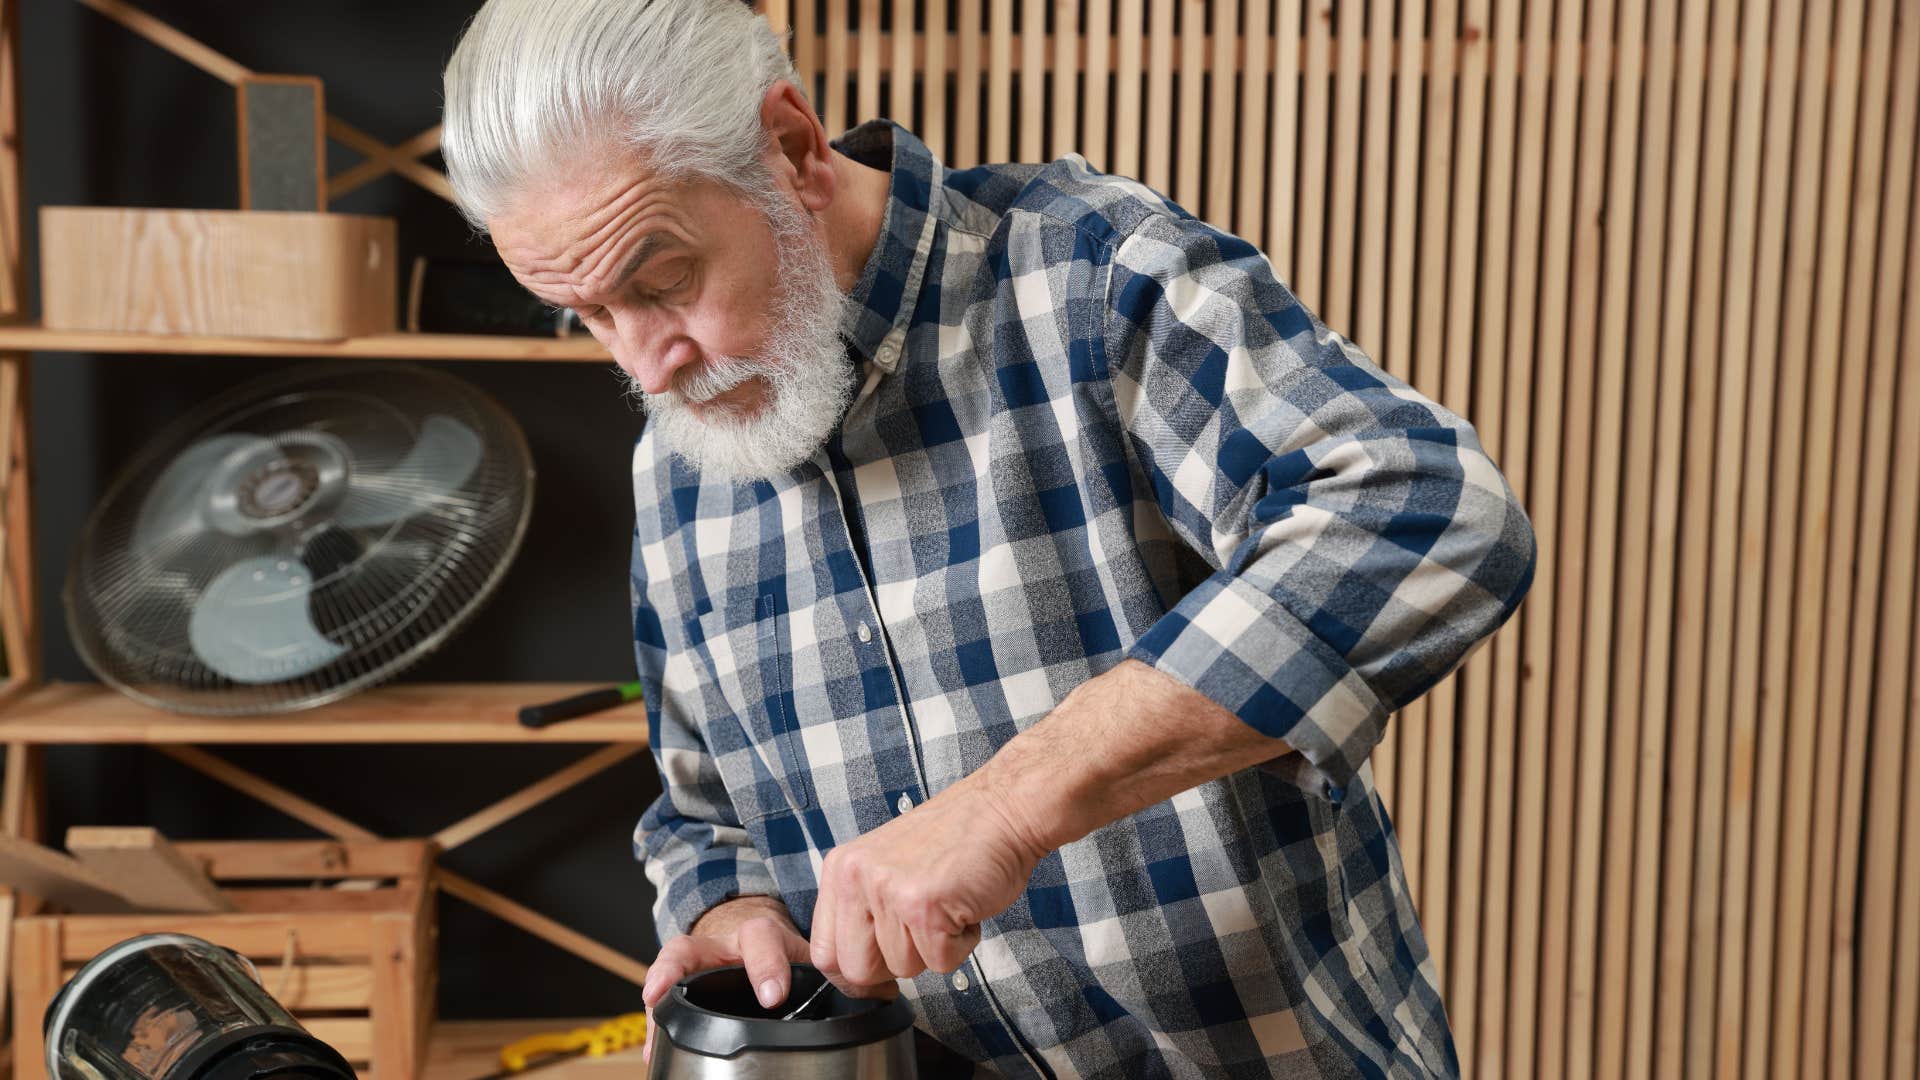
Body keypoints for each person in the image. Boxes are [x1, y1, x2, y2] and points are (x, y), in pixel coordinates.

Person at [442, 1, 1535, 1075]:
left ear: (789, 148)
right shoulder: (680, 447)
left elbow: (1424, 509)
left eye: (662, 279)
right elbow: (703, 807)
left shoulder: (1089, 276)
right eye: (587, 314)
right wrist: (730, 912)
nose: (643, 365)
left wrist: (1008, 807)